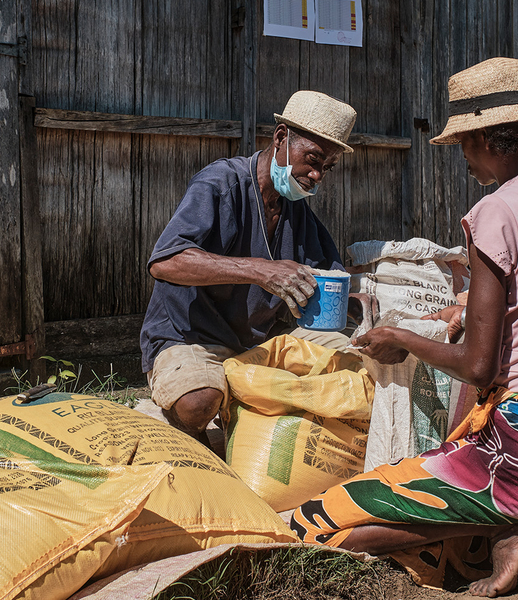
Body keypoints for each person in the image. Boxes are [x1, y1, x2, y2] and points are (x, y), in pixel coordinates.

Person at [290, 58, 518, 597]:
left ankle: (513, 518)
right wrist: (466, 311)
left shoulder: (497, 212)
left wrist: (399, 338)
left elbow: (478, 367)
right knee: (483, 474)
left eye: (463, 141)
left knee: (320, 522)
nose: (462, 154)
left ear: (486, 137)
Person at [140, 91, 357, 442]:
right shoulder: (222, 183)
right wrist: (260, 270)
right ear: (281, 137)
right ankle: (184, 416)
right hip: (190, 337)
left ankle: (241, 410)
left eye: (326, 168)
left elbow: (328, 278)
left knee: (350, 361)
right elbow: (166, 262)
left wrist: (364, 300)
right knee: (199, 402)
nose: (317, 175)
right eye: (313, 159)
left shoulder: (296, 210)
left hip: (260, 345)